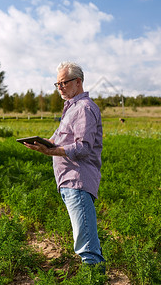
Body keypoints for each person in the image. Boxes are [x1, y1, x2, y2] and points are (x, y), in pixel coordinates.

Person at [23, 61, 106, 268]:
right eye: (57, 84)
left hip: (78, 181)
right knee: (85, 239)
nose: (60, 87)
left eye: (64, 83)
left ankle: (93, 279)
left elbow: (83, 147)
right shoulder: (71, 109)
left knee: (86, 245)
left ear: (78, 82)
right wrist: (41, 144)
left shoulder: (84, 108)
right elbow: (56, 140)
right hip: (68, 182)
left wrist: (52, 151)